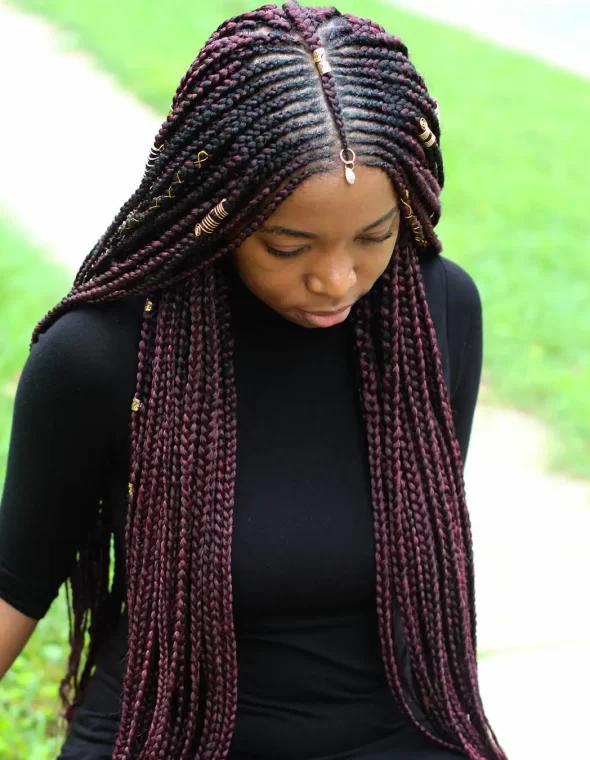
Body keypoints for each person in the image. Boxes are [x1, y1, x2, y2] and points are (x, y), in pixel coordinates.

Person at [0, 2, 507, 758]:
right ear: (219, 215)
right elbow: (17, 586)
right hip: (168, 737)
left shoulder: (434, 313)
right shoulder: (101, 356)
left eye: (375, 236)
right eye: (288, 245)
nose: (337, 280)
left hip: (396, 734)